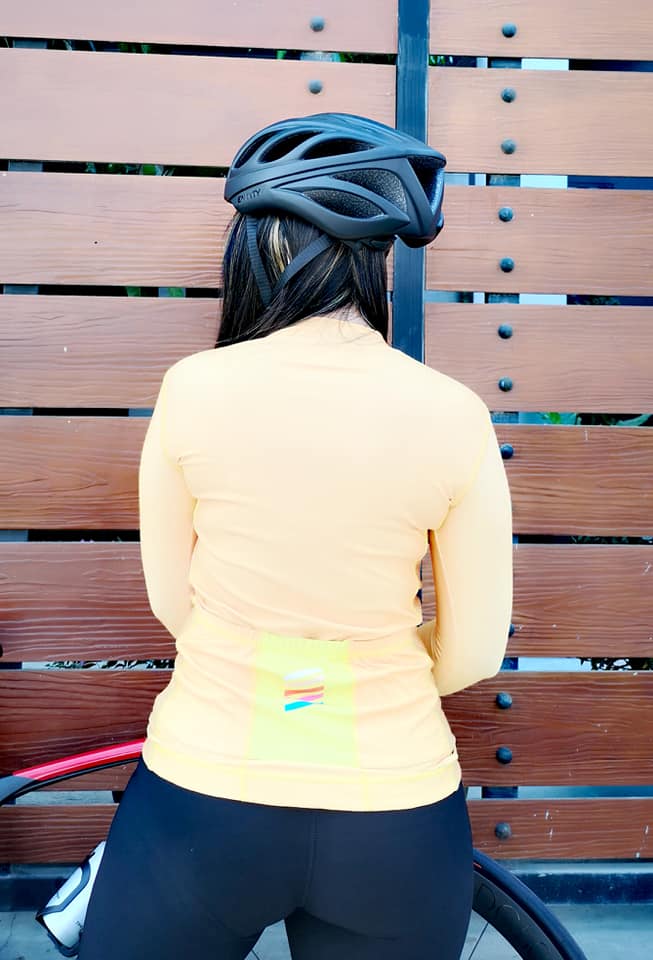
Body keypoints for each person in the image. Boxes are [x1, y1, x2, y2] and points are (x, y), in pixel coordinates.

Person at [78, 112, 513, 960]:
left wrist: (283, 682)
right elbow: (472, 653)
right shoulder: (454, 412)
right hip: (394, 809)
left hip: (205, 797)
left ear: (264, 247)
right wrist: (351, 676)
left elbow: (175, 603)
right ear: (376, 259)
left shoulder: (193, 388)